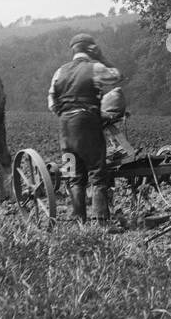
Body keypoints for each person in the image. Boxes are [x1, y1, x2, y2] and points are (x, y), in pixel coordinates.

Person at [48, 34, 123, 222]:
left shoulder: (59, 72)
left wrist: (67, 112)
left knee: (73, 175)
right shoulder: (95, 68)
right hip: (87, 126)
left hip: (65, 129)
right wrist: (102, 57)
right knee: (97, 173)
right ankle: (101, 222)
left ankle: (79, 220)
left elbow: (52, 103)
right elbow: (117, 76)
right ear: (91, 49)